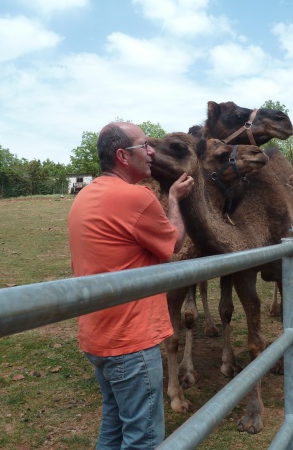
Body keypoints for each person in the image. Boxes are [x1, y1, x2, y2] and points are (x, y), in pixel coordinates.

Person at [67, 122, 194, 449]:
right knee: (144, 438)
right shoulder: (136, 197)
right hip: (131, 341)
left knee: (113, 425)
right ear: (123, 155)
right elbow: (175, 243)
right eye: (144, 146)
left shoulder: (85, 195)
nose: (151, 151)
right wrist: (175, 199)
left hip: (97, 336)